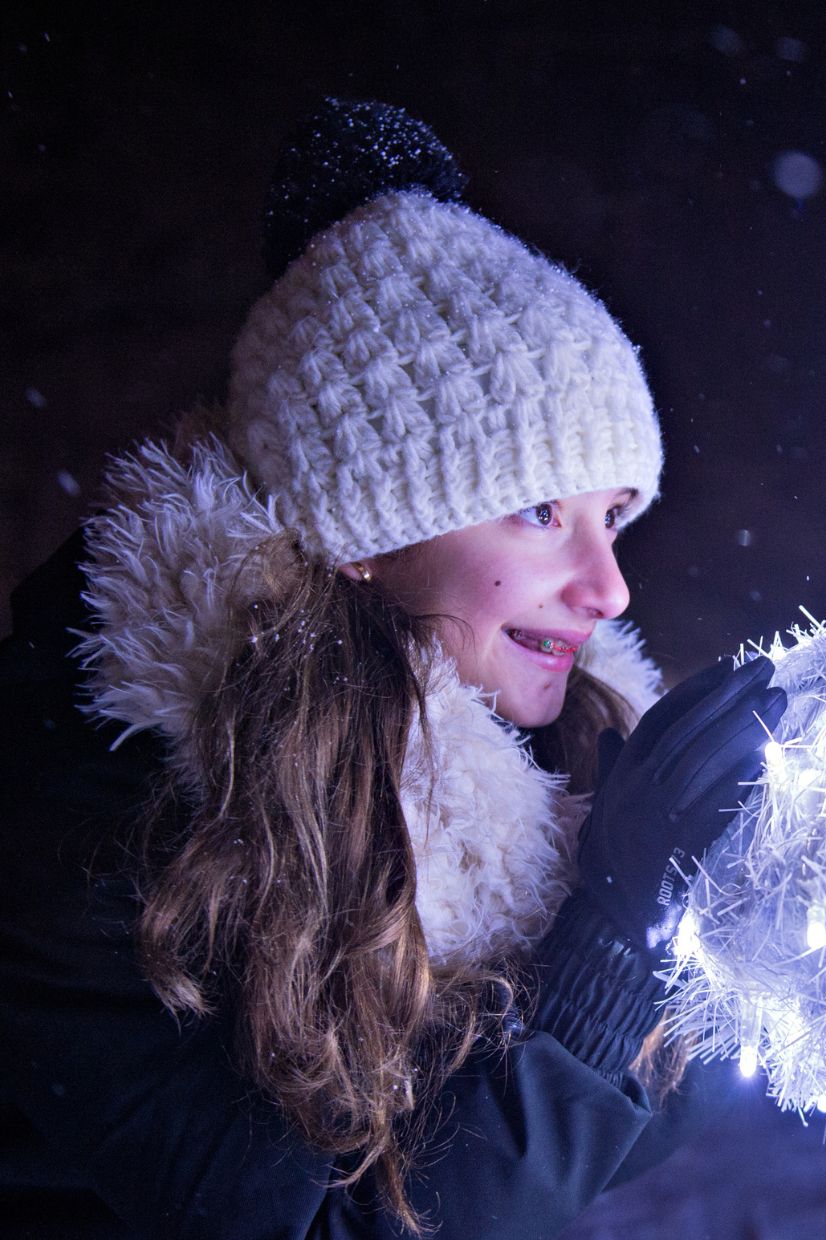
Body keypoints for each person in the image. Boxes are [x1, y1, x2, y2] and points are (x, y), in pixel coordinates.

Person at [0, 99, 784, 1237]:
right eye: (536, 510)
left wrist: (731, 914)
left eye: (611, 515)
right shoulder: (92, 797)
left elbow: (596, 1139)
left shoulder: (542, 730)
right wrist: (611, 942)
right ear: (365, 528)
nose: (608, 587)